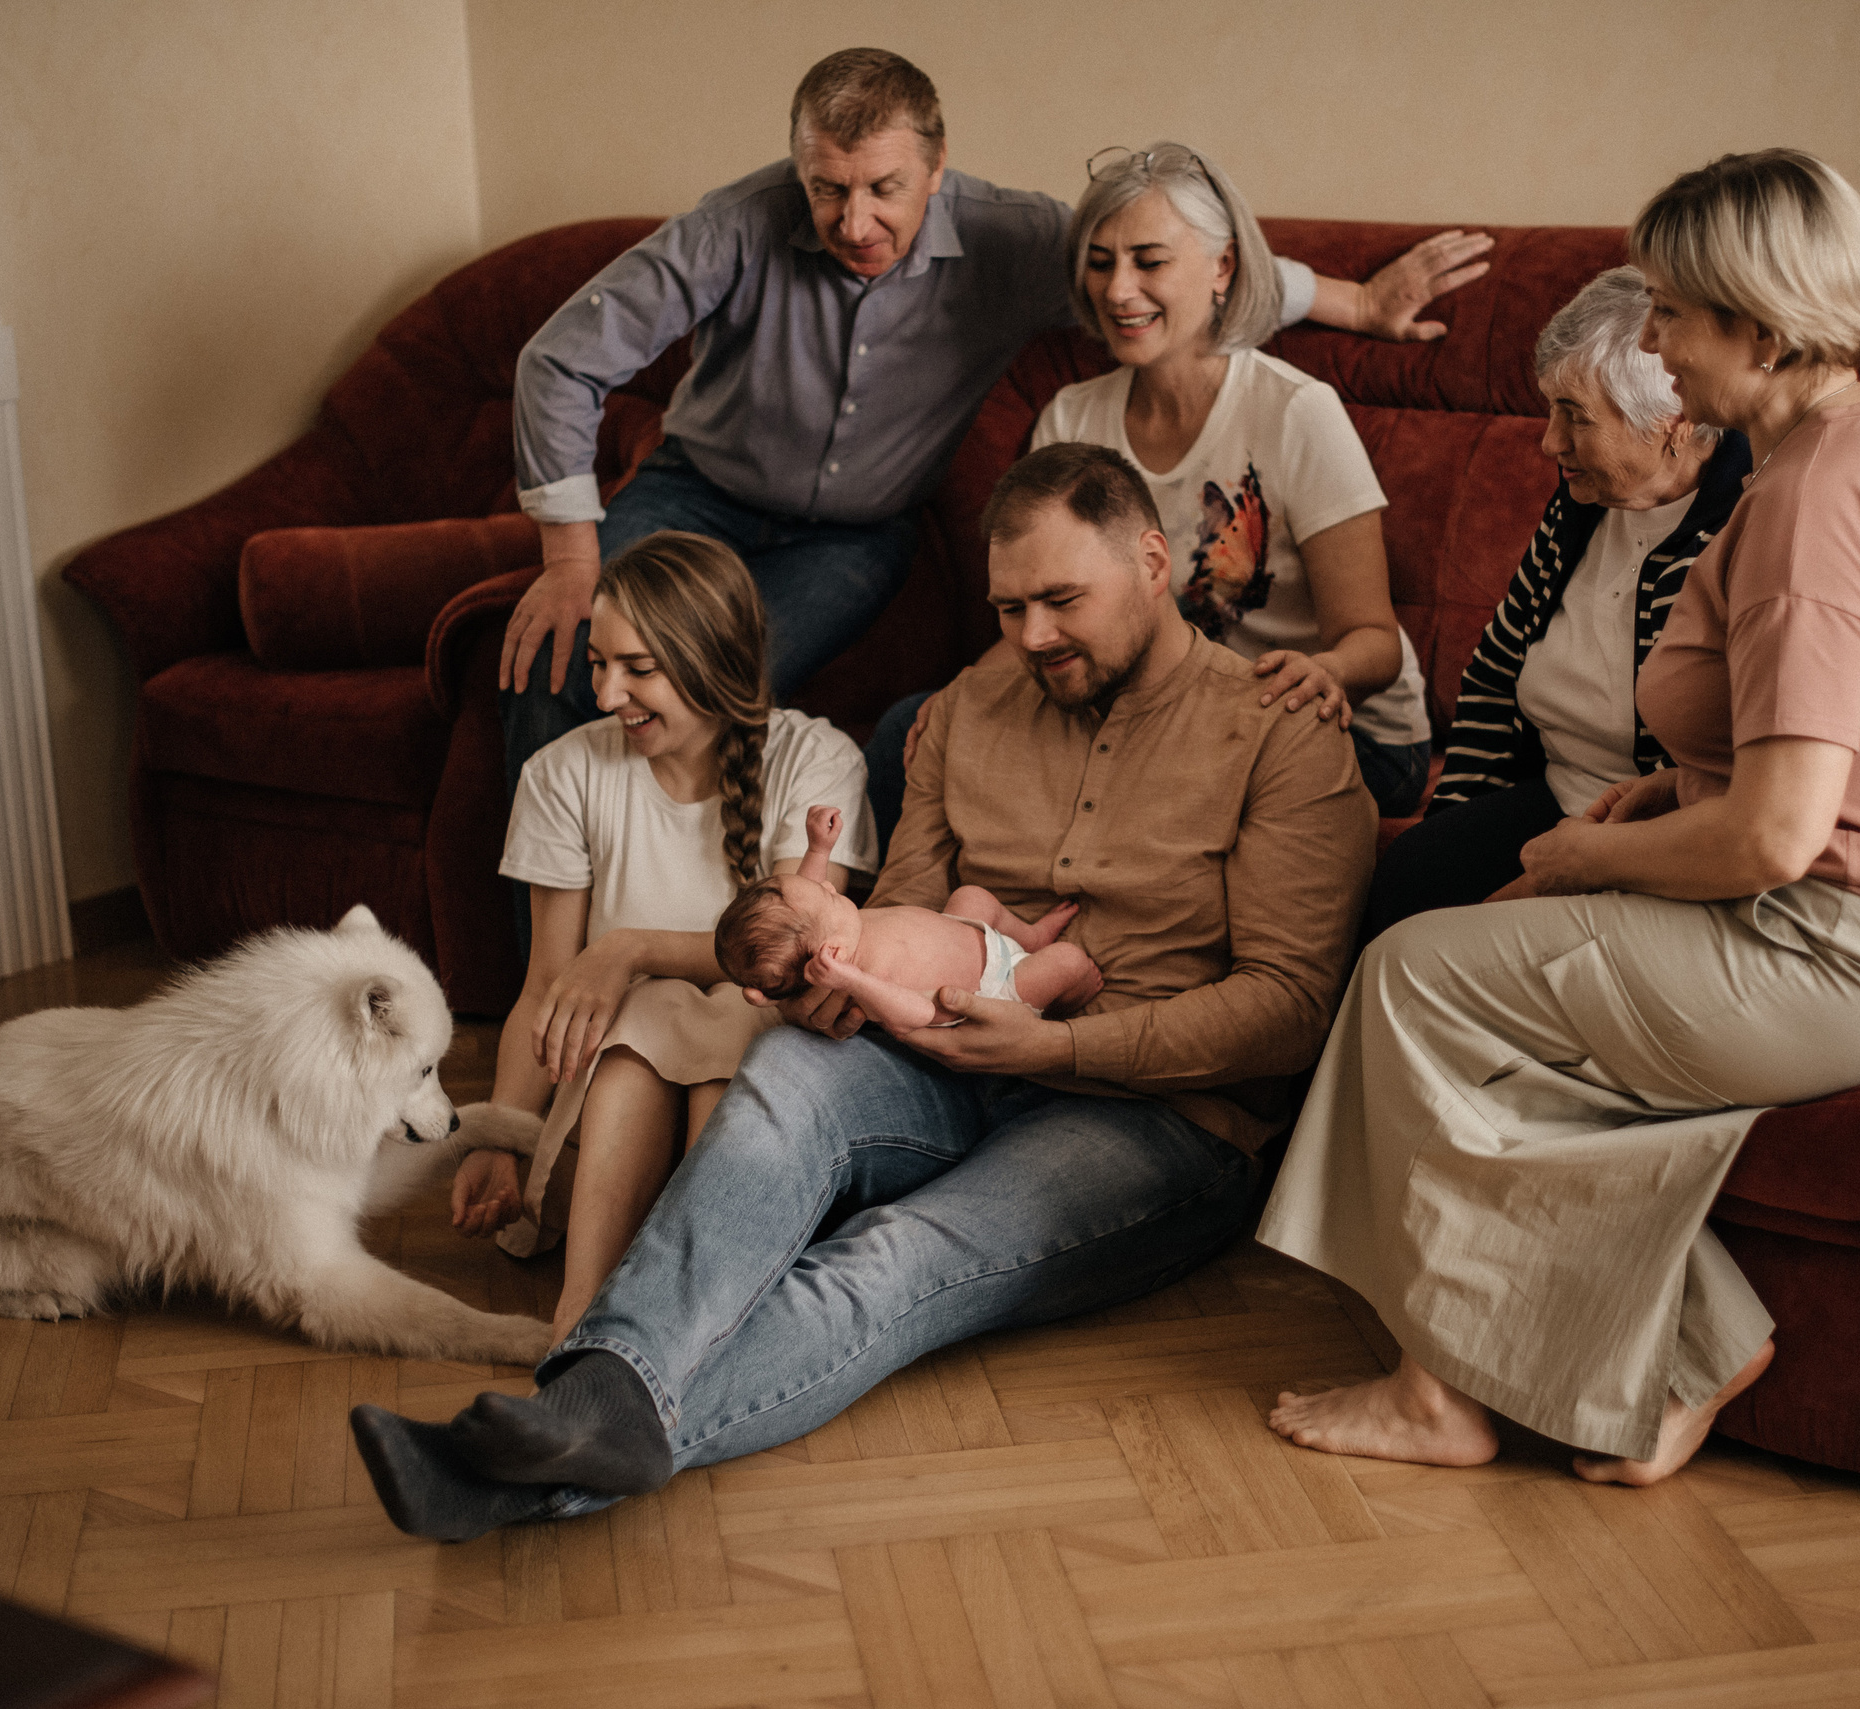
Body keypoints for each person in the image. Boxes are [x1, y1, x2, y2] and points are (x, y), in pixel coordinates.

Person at [349, 443, 1375, 1540]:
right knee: (783, 1073)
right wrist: (834, 976)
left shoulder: (1277, 729)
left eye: (1061, 600)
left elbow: (1287, 1008)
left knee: (896, 1255)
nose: (1030, 636)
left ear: (1156, 562)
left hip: (1146, 1114)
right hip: (930, 1051)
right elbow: (909, 903)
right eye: (1009, 606)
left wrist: (1057, 1050)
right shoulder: (968, 707)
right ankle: (587, 1402)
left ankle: (546, 1446)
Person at [1256, 149, 1860, 1488]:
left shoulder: (1813, 503)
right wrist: (1662, 796)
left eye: (1676, 310)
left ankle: (1437, 1394)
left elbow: (1776, 842)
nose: (1658, 336)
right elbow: (1828, 748)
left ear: (1763, 321)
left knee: (1411, 984)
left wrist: (1579, 854)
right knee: (1485, 976)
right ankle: (1689, 1345)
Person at [501, 49, 1490, 935]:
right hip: (699, 489)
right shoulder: (745, 233)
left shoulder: (1026, 248)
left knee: (707, 689)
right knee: (574, 671)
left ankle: (741, 961)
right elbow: (559, 361)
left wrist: (1355, 299)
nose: (855, 221)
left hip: (859, 537)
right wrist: (568, 557)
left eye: (884, 187)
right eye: (826, 190)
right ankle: (559, 982)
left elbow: (1174, 255)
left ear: (937, 168)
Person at [867, 141, 1442, 836]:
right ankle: (907, 938)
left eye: (1150, 261)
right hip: (1147, 708)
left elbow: (1373, 641)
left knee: (1134, 777)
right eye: (1101, 262)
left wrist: (1327, 672)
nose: (1117, 290)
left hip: (1339, 730)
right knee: (914, 730)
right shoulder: (1073, 417)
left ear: (1222, 266)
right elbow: (1041, 611)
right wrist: (966, 697)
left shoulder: (1297, 411)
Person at [447, 531, 876, 1347]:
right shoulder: (562, 774)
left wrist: (630, 948)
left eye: (636, 668)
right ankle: (581, 1325)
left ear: (711, 657)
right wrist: (499, 1134)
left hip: (755, 1100)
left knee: (719, 1022)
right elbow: (544, 987)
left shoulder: (816, 759)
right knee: (644, 1027)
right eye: (598, 664)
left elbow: (796, 951)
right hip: (607, 1128)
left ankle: (662, 1322)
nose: (606, 693)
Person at [1366, 266, 1752, 937]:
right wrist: (1451, 824)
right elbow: (1491, 674)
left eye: (1574, 416)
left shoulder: (1741, 534)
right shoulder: (1585, 503)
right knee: (1411, 875)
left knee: (1448, 941)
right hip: (1554, 794)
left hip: (1653, 840)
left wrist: (1524, 891)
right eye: (1551, 410)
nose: (1549, 442)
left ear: (1675, 420)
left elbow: (1705, 769)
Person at [713, 805, 1102, 1028]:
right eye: (829, 898)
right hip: (994, 991)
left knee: (971, 897)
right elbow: (922, 1012)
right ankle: (1064, 1002)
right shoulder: (863, 979)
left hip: (967, 933)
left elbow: (807, 902)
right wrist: (856, 981)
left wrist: (818, 848)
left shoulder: (830, 937)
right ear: (834, 955)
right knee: (1068, 961)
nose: (830, 888)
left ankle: (1030, 938)